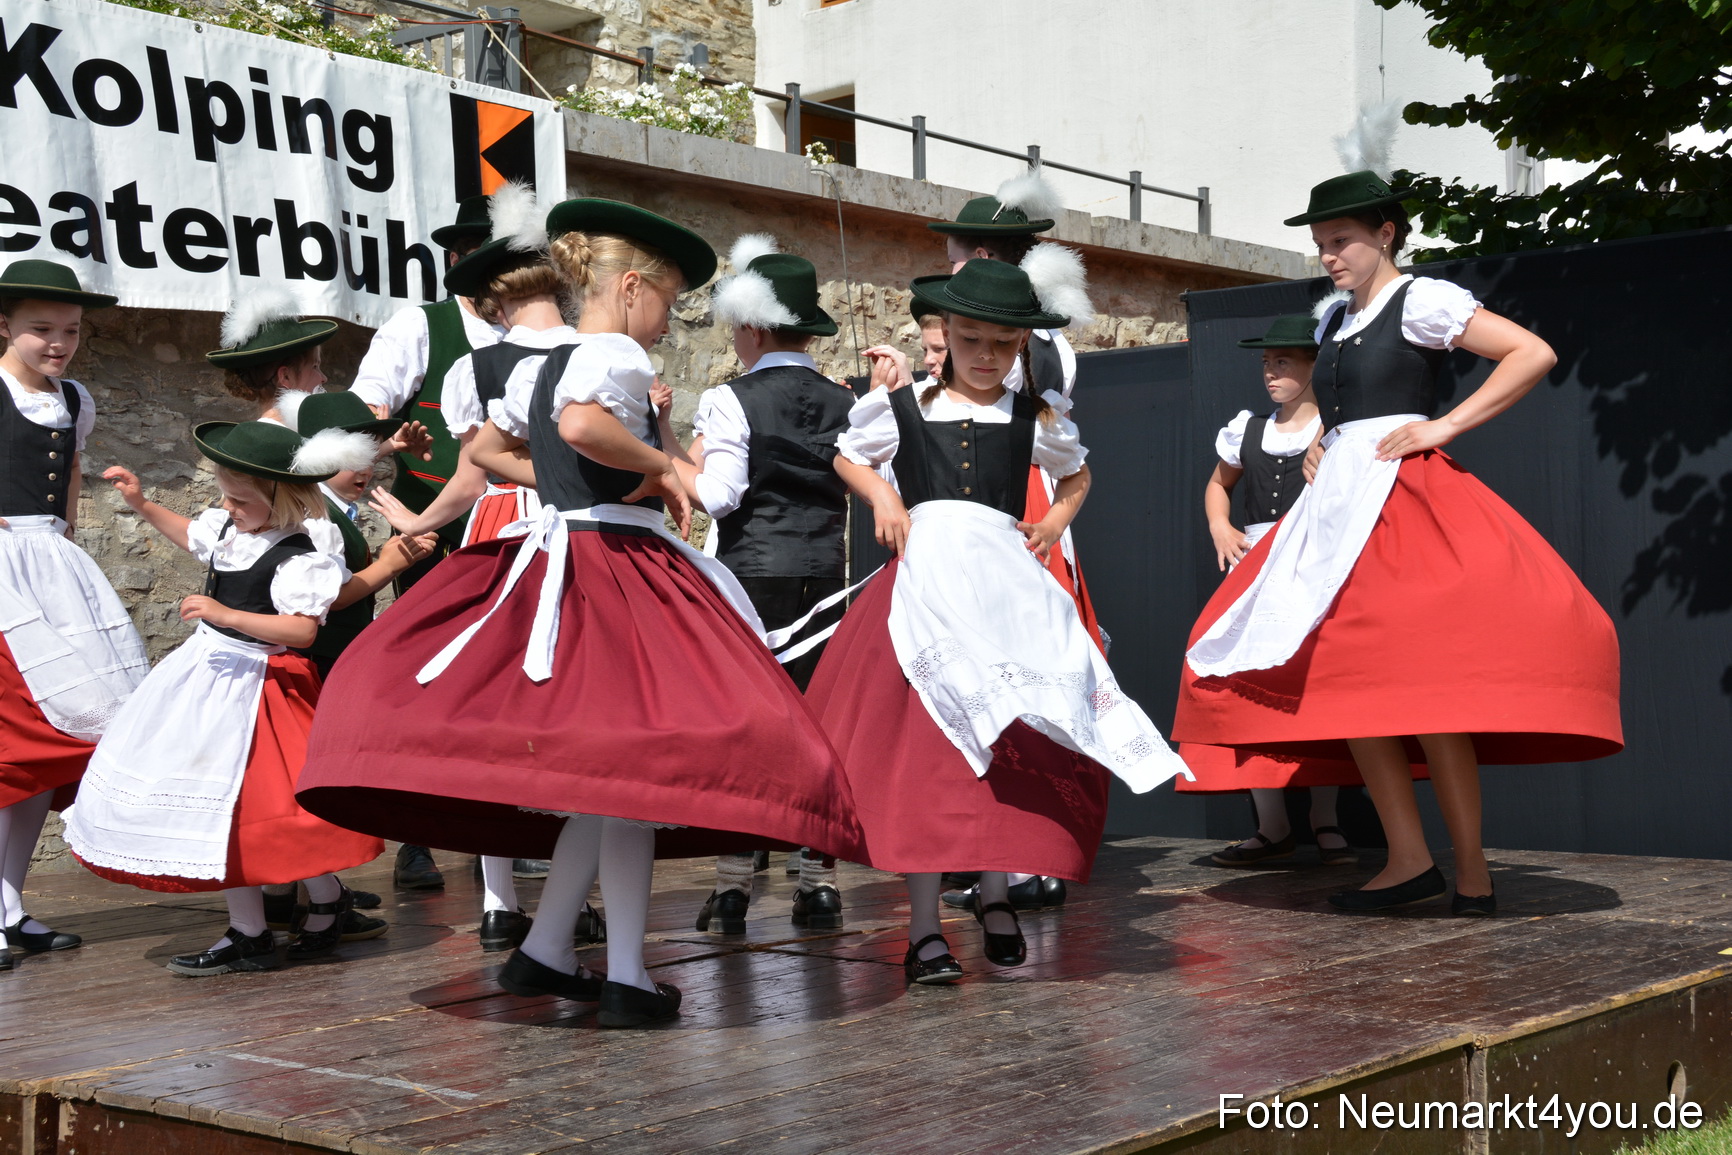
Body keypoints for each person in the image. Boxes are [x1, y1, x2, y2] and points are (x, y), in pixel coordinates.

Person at [294, 197, 865, 1028]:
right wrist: (661, 467)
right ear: (631, 287)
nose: (670, 320)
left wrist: (561, 484)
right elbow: (581, 423)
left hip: (568, 552)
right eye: (667, 299)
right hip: (617, 568)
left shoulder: (530, 362)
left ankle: (553, 945)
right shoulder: (611, 357)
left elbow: (488, 452)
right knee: (632, 774)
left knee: (609, 782)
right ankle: (623, 969)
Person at [1174, 171, 1623, 915]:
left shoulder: (1422, 300)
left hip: (1402, 501)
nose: (1328, 256)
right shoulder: (1330, 322)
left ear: (1386, 233)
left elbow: (1530, 353)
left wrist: (1445, 425)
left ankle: (1471, 867)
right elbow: (1337, 410)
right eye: (1320, 244)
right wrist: (1322, 446)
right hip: (1337, 509)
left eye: (1341, 240)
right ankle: (1410, 860)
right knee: (1358, 691)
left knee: (1429, 693)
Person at [806, 259, 1190, 985]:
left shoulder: (1032, 416)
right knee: (929, 758)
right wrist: (885, 503)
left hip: (1005, 595)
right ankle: (923, 929)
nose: (985, 355)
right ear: (943, 332)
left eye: (1002, 344)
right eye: (971, 338)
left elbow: (1077, 474)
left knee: (1003, 745)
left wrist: (1051, 523)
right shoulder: (904, 407)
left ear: (1021, 346)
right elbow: (847, 457)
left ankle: (995, 896)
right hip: (922, 595)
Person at [63, 421, 386, 974]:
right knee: (219, 807)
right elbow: (190, 532)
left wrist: (226, 614)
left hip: (259, 685)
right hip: (204, 679)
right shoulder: (230, 534)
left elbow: (303, 630)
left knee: (266, 808)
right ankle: (252, 929)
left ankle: (322, 901)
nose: (225, 506)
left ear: (280, 501)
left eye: (239, 499)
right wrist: (142, 504)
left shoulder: (299, 557)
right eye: (224, 495)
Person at [366, 185, 597, 953]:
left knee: (500, 710)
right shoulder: (599, 354)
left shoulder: (485, 364)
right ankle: (555, 891)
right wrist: (412, 524)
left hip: (503, 531)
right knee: (567, 710)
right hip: (577, 533)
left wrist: (417, 525)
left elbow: (475, 475)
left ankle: (505, 898)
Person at [673, 234, 854, 935]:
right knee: (821, 729)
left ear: (751, 325)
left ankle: (731, 887)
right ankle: (817, 882)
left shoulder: (730, 399)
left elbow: (717, 496)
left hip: (751, 582)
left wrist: (663, 448)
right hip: (825, 578)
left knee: (745, 731)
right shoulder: (843, 399)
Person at [928, 172, 1099, 914]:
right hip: (1000, 504)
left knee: (1024, 675)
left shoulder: (1027, 340)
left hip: (1012, 504)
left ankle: (1029, 851)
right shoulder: (1032, 334)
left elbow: (1046, 444)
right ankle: (1011, 849)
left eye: (962, 257)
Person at [347, 194, 505, 892]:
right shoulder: (421, 326)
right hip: (429, 531)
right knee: (429, 671)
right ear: (456, 259)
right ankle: (416, 833)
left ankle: (495, 830)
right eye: (477, 253)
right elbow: (367, 409)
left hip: (512, 525)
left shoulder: (528, 335)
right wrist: (389, 434)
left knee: (502, 674)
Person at [0, 260, 150, 971]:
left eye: (71, 331)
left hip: (53, 569)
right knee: (12, 746)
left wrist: (65, 560)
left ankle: (9, 905)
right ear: (4, 325)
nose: (57, 344)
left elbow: (67, 494)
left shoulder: (72, 398)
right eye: (41, 329)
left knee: (52, 748)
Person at [1186, 315, 1352, 869]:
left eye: (1283, 362)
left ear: (1313, 367)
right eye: (1266, 363)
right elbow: (1218, 484)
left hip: (1312, 565)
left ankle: (1324, 817)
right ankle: (1273, 826)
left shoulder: (1337, 429)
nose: (1271, 373)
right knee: (1248, 688)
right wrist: (1221, 526)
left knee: (1314, 691)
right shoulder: (1247, 429)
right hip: (1255, 565)